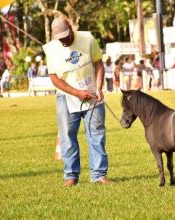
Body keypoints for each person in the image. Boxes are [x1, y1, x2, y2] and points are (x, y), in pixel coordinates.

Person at [43, 16, 110, 187]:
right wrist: (76, 92)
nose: (64, 40)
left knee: (96, 134)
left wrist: (99, 87)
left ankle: (99, 175)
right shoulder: (51, 49)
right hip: (66, 97)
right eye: (60, 38)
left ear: (71, 28)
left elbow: (98, 64)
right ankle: (71, 176)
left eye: (66, 35)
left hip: (93, 95)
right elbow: (54, 78)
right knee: (67, 137)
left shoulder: (87, 39)